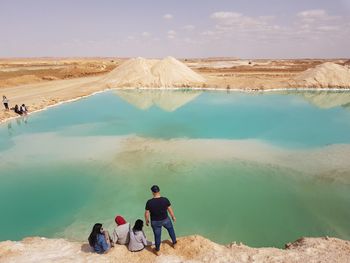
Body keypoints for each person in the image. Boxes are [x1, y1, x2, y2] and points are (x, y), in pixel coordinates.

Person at [145, 185, 177, 255]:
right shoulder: (165, 199)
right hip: (166, 219)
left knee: (157, 236)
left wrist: (147, 220)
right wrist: (173, 217)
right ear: (159, 191)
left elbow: (147, 213)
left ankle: (157, 250)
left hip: (155, 222)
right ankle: (174, 244)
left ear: (152, 192)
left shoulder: (149, 202)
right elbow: (169, 209)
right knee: (171, 230)